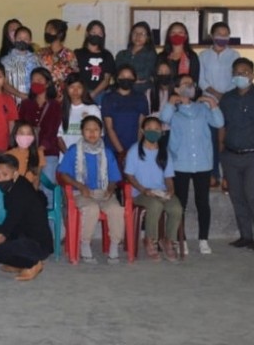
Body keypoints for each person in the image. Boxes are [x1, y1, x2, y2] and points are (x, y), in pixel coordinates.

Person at [160, 73, 224, 255]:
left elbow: (219, 122)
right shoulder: (173, 110)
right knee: (181, 204)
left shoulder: (202, 108)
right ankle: (182, 240)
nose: (190, 86)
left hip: (202, 163)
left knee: (202, 202)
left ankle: (203, 239)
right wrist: (172, 101)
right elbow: (164, 119)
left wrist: (211, 103)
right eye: (185, 84)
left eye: (192, 84)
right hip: (180, 163)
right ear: (177, 88)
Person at [219, 57, 254, 252]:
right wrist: (221, 150)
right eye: (236, 73)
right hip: (230, 156)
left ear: (252, 75)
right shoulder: (227, 99)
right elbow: (222, 126)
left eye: (244, 73)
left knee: (253, 196)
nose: (240, 76)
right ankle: (245, 236)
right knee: (237, 197)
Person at [57, 115, 124, 264]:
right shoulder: (74, 150)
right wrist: (80, 186)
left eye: (96, 129)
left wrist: (110, 189)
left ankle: (114, 245)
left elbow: (114, 178)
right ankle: (85, 244)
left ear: (101, 132)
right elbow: (63, 174)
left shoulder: (107, 152)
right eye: (88, 129)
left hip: (103, 193)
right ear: (82, 132)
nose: (92, 133)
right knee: (92, 208)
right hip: (81, 193)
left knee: (116, 210)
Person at [0, 154, 52, 282]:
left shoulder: (20, 197)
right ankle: (19, 264)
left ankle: (33, 264)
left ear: (15, 174)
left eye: (4, 175)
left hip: (37, 244)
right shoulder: (19, 180)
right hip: (23, 234)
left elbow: (4, 232)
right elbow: (2, 172)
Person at [125, 117, 182, 262]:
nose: (153, 132)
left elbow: (168, 177)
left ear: (162, 132)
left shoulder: (164, 152)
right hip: (140, 193)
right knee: (155, 206)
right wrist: (143, 190)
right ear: (142, 130)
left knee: (176, 208)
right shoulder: (134, 151)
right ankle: (150, 240)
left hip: (160, 191)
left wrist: (170, 190)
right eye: (149, 129)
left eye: (157, 129)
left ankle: (168, 240)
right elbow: (129, 175)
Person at [199, 21, 240, 187]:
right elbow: (201, 79)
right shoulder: (203, 56)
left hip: (229, 101)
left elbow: (236, 77)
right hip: (208, 103)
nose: (222, 37)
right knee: (211, 140)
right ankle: (213, 174)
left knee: (227, 140)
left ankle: (228, 176)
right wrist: (215, 94)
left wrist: (225, 96)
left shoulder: (234, 55)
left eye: (225, 34)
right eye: (219, 34)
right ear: (212, 35)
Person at [18, 67, 62, 185]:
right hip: (27, 153)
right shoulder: (25, 104)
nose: (35, 83)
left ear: (48, 83)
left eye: (39, 80)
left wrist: (41, 148)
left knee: (47, 186)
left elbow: (53, 131)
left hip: (48, 153)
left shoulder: (55, 105)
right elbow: (19, 127)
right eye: (33, 80)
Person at [102, 65, 149, 166]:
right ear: (117, 79)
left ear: (134, 79)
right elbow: (109, 128)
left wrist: (137, 148)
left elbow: (141, 125)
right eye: (122, 76)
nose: (126, 79)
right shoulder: (108, 98)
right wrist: (122, 152)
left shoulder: (140, 98)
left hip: (133, 147)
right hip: (112, 148)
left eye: (129, 77)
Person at [58, 73, 102, 155]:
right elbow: (59, 137)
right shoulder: (60, 109)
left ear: (84, 89)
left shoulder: (93, 109)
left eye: (79, 87)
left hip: (88, 156)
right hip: (66, 158)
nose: (75, 91)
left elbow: (99, 135)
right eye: (72, 87)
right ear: (66, 89)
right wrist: (69, 156)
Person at [74, 20, 116, 103]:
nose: (96, 35)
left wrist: (93, 94)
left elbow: (106, 80)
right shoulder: (77, 53)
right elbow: (74, 75)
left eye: (100, 33)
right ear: (87, 33)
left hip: (101, 93)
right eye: (93, 32)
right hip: (80, 93)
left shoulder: (107, 55)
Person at [38, 19, 78, 95]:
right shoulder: (41, 53)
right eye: (46, 30)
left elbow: (74, 78)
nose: (47, 32)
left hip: (63, 95)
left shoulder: (69, 54)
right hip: (43, 94)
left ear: (60, 34)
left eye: (50, 30)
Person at [115, 22, 157, 93]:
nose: (138, 36)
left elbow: (145, 74)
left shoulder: (151, 55)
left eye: (142, 34)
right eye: (135, 33)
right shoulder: (121, 54)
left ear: (148, 37)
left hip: (143, 90)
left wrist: (127, 78)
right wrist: (134, 79)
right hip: (122, 89)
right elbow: (118, 74)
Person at [1, 26, 41, 100]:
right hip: (12, 101)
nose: (22, 41)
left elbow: (42, 80)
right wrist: (20, 94)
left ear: (30, 41)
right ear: (14, 39)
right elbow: (3, 82)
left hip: (33, 101)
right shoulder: (5, 61)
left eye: (26, 39)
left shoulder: (36, 60)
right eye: (19, 38)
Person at [4, 121, 47, 189]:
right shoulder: (8, 154)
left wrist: (33, 193)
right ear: (15, 135)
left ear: (33, 136)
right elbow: (3, 176)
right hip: (14, 190)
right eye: (22, 133)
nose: (25, 136)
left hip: (31, 191)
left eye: (29, 133)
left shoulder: (38, 153)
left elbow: (37, 178)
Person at [148, 61, 176, 126]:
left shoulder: (177, 92)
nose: (163, 74)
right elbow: (150, 114)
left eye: (166, 72)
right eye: (160, 72)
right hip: (156, 128)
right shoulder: (150, 92)